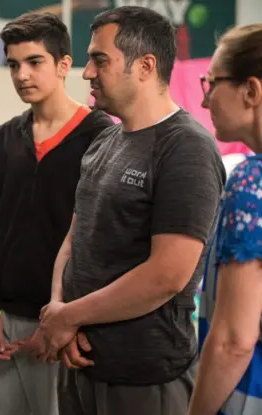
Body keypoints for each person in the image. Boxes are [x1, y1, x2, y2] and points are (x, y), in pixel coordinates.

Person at [38, 6, 226, 415]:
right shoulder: (106, 141)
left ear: (145, 66)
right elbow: (75, 237)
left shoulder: (185, 149)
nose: (87, 72)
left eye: (99, 59)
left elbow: (167, 275)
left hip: (142, 379)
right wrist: (59, 311)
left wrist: (67, 316)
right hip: (80, 365)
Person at [0, 11, 113, 415]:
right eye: (13, 64)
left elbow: (100, 240)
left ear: (64, 65)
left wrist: (66, 321)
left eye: (34, 62)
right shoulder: (4, 138)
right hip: (5, 322)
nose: (21, 75)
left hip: (67, 324)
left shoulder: (101, 135)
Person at [189, 24, 262, 415]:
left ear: (251, 91)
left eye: (211, 84)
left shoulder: (252, 182)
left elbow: (234, 339)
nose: (204, 102)